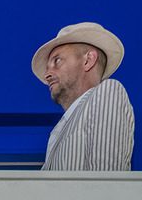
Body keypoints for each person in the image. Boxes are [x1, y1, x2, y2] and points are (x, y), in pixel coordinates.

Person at [33, 22, 134, 171]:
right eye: (47, 67)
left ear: (88, 60)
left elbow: (107, 180)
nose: (47, 74)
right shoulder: (59, 130)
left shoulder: (108, 91)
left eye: (57, 61)